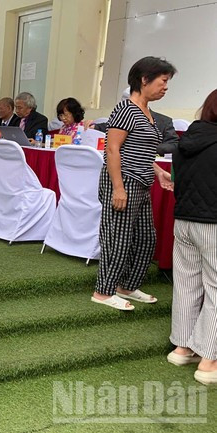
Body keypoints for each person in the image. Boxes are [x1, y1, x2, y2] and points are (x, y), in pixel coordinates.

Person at [91, 56, 176, 310]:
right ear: (144, 79)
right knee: (117, 239)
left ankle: (126, 286)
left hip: (141, 182)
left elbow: (138, 151)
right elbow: (113, 150)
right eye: (163, 81)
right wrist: (118, 188)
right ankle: (103, 291)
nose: (165, 87)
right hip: (124, 181)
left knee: (145, 239)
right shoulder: (126, 109)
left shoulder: (146, 112)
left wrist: (158, 171)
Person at [168, 88, 217, 385]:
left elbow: (177, 181)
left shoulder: (186, 141)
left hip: (184, 221)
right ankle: (209, 361)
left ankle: (182, 348)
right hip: (212, 225)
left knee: (186, 285)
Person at [91, 87, 179, 155]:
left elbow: (174, 144)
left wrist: (148, 149)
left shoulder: (164, 121)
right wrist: (92, 125)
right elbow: (103, 128)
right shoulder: (119, 120)